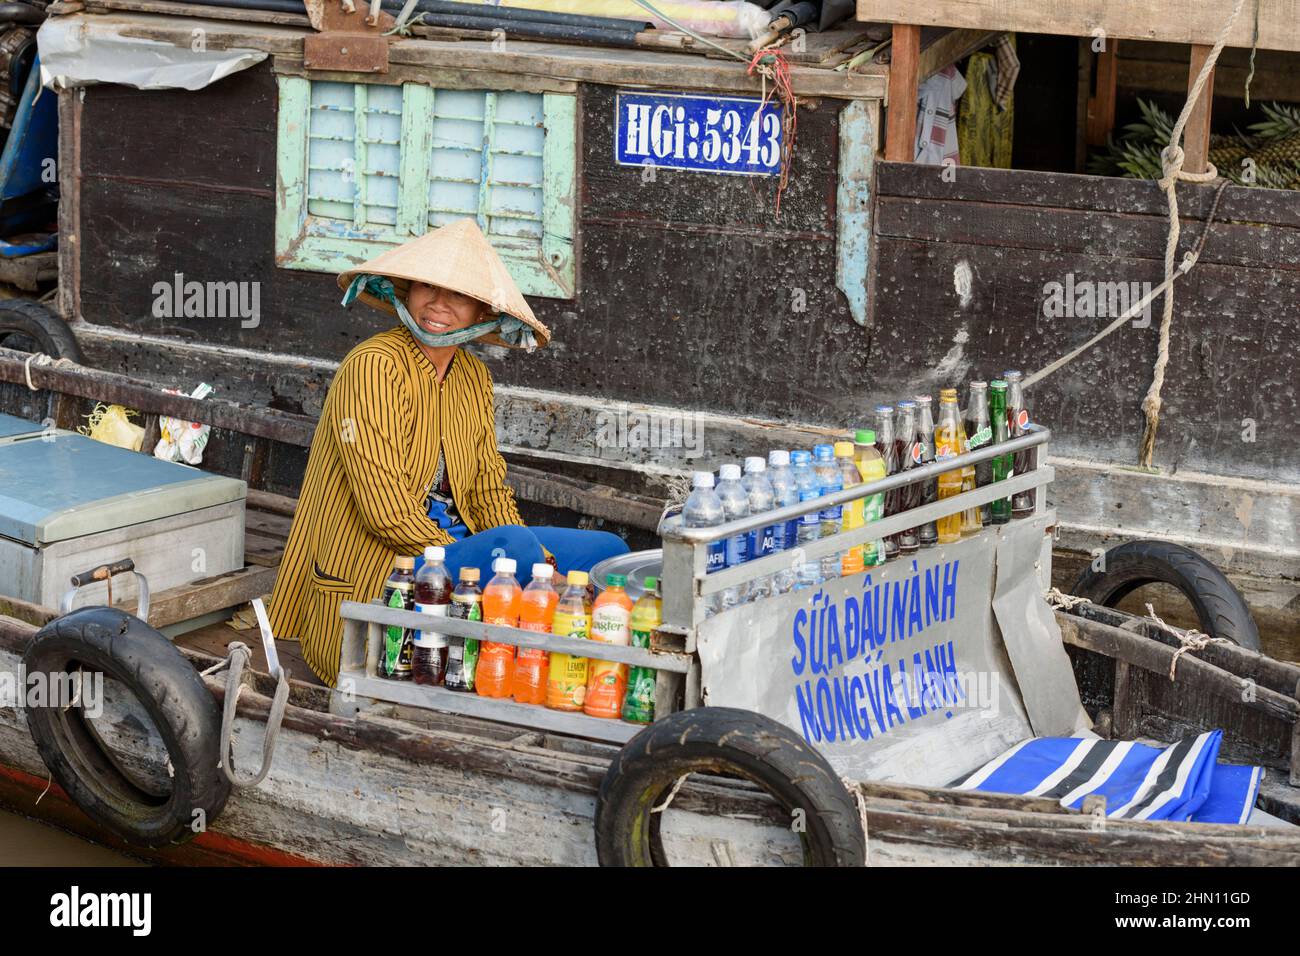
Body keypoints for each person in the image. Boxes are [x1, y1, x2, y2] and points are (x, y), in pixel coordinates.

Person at [268, 219, 628, 686]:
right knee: (516, 549)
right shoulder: (373, 367)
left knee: (607, 555)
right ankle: (495, 645)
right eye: (426, 287)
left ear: (481, 313)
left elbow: (485, 489)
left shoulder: (473, 378)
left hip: (455, 547)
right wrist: (491, 564)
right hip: (386, 567)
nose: (438, 305)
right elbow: (385, 511)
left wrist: (543, 563)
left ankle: (542, 664)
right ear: (407, 291)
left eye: (457, 296)